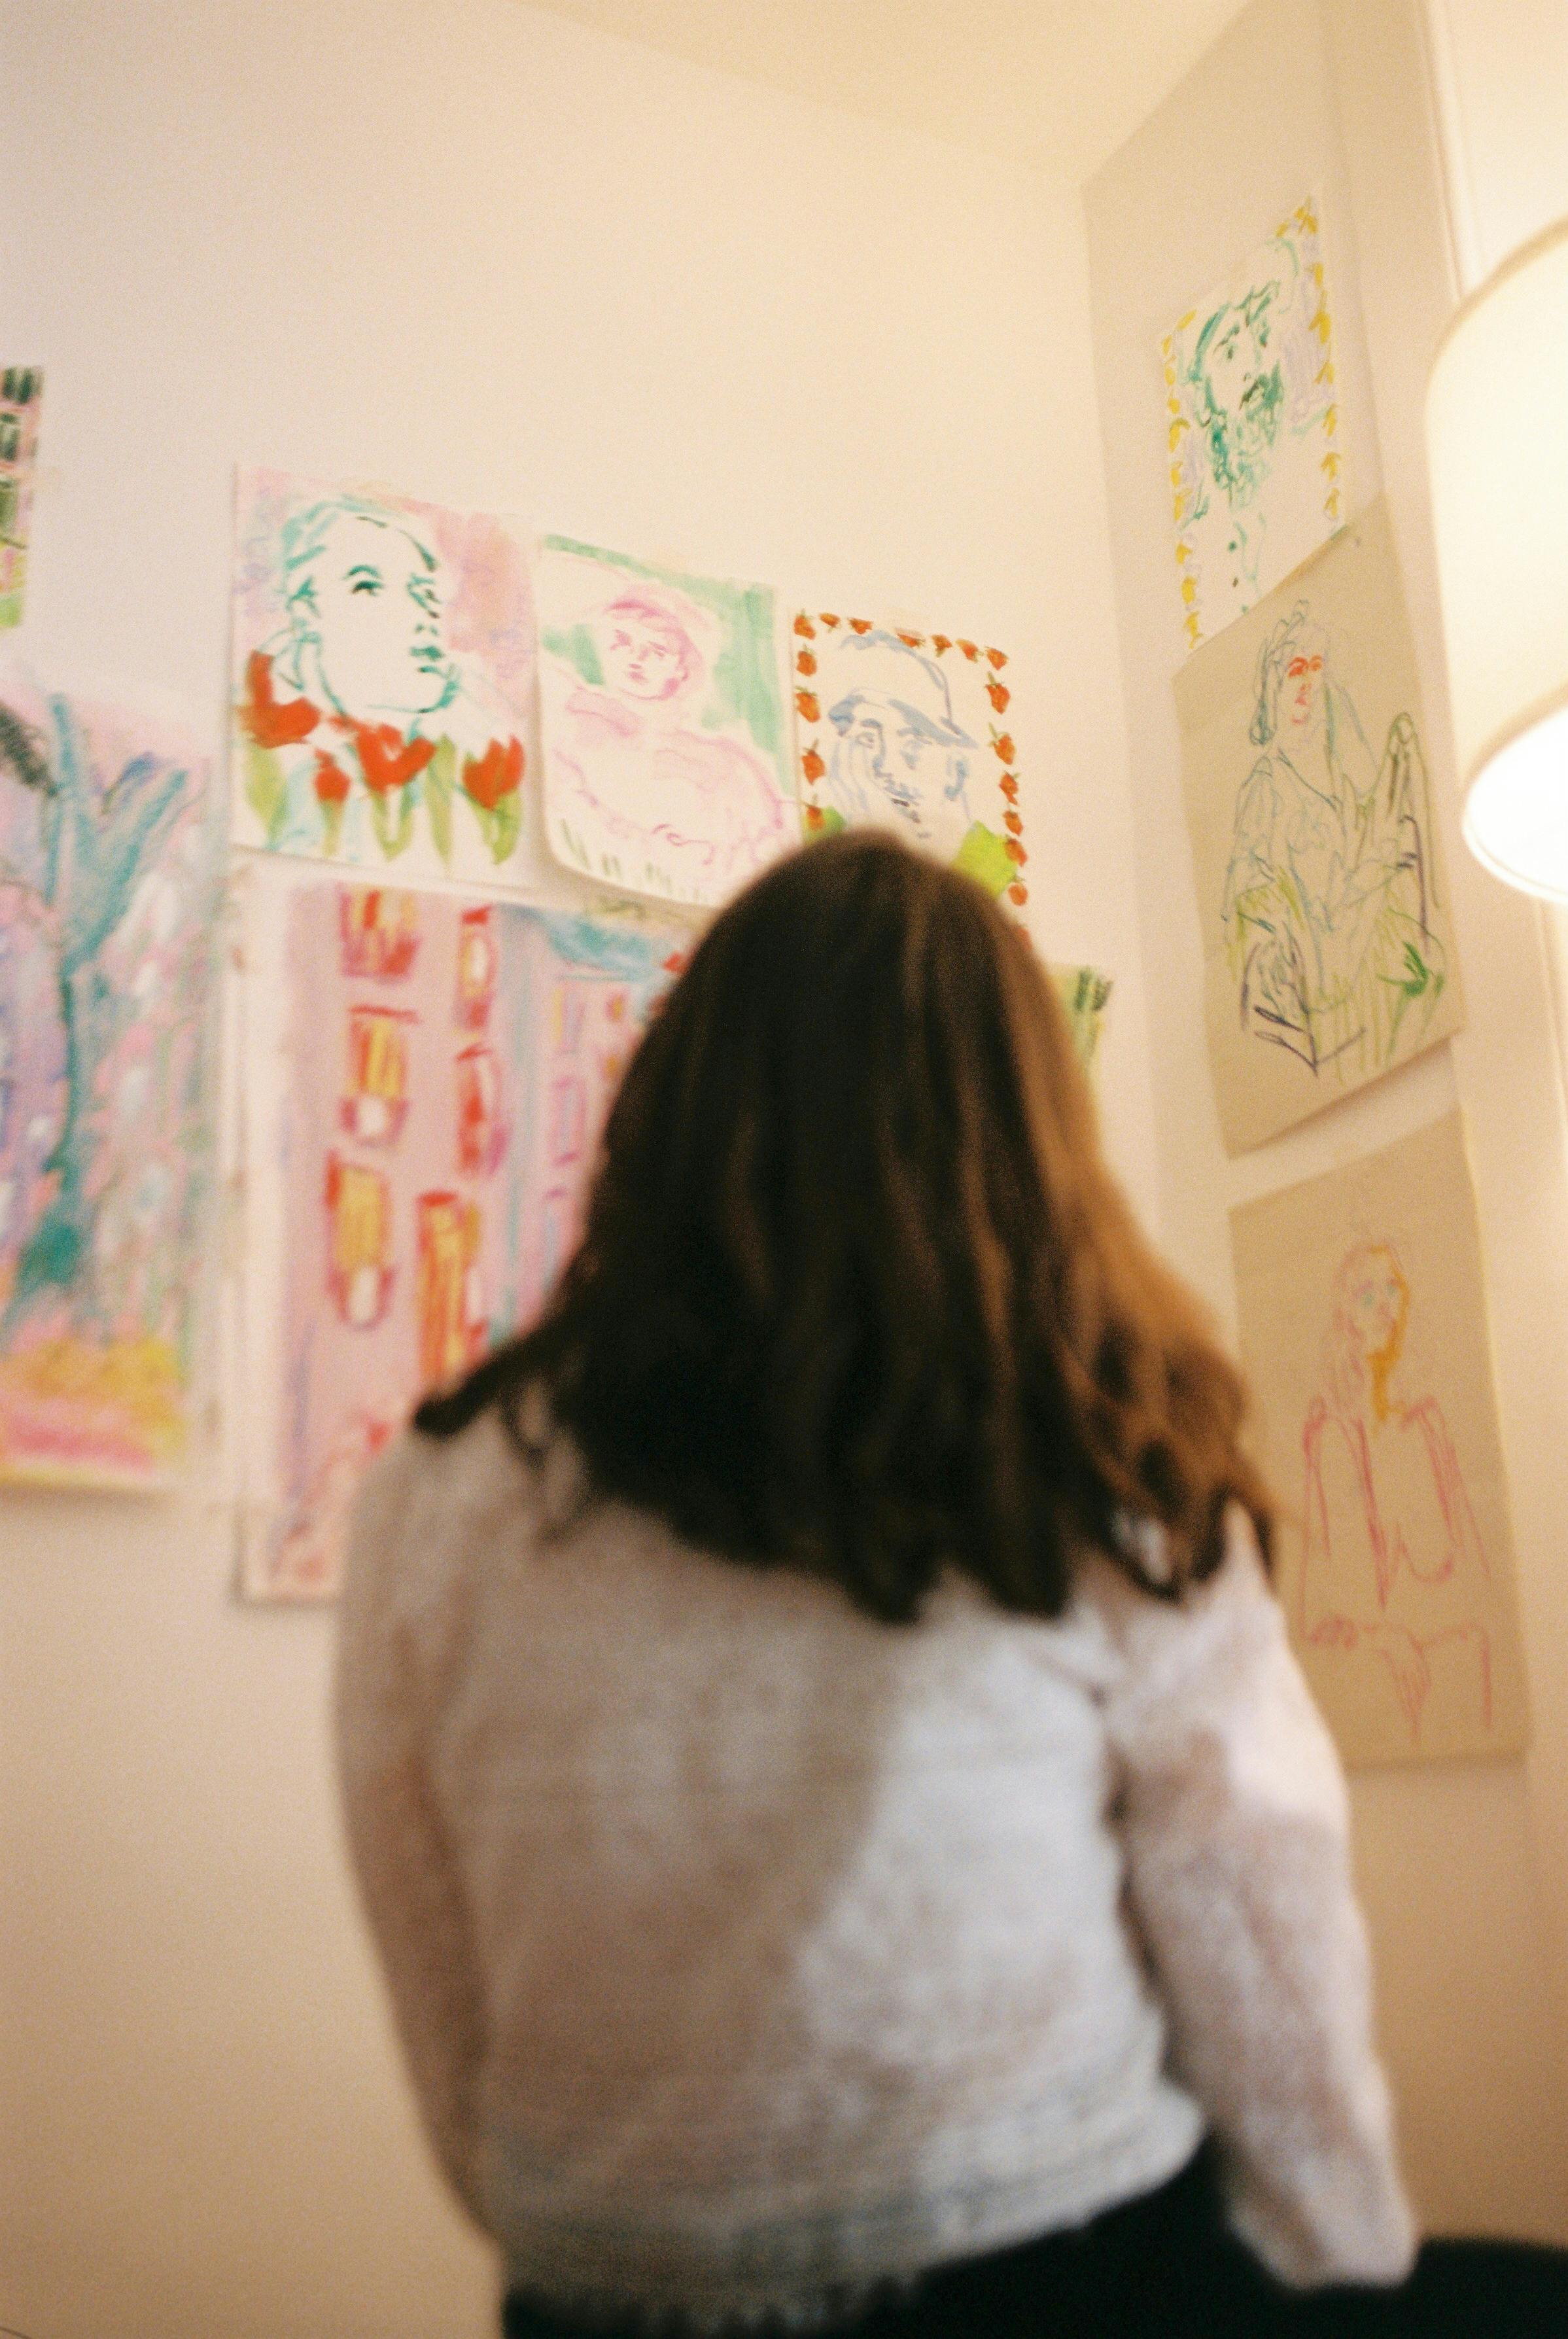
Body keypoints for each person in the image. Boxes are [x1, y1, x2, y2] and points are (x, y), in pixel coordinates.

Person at [336, 834, 1568, 2337]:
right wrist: (1341, 2244)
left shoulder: (440, 1490)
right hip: (1058, 2270)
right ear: (1027, 1128)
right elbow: (1260, 1925)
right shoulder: (1099, 1462)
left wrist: (614, 2219)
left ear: (673, 1104)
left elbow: (436, 1968)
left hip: (595, 2293)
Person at [1222, 603, 1444, 1076]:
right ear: (1272, 687)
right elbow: (1252, 917)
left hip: (1370, 979)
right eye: (1295, 671)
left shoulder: (1341, 773)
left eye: (1316, 668)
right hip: (1320, 1004)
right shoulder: (1264, 791)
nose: (1307, 685)